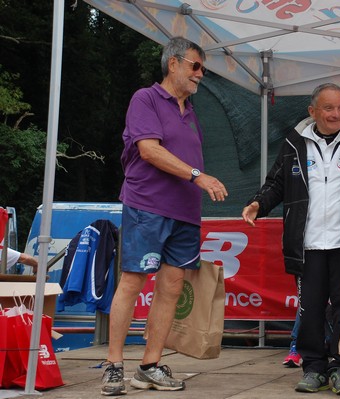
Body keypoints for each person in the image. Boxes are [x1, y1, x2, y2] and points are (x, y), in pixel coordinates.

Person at [242, 83, 340, 395]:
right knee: (309, 307)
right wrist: (259, 203)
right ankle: (313, 368)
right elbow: (277, 182)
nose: (336, 114)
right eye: (329, 108)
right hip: (308, 245)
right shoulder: (295, 143)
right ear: (313, 111)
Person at [101, 36, 228, 396]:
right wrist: (197, 176)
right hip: (148, 205)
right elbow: (149, 151)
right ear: (173, 63)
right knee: (133, 280)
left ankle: (149, 366)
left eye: (203, 68)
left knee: (171, 287)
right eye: (195, 65)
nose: (200, 74)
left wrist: (197, 181)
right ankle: (113, 365)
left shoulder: (191, 112)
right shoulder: (146, 98)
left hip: (185, 212)